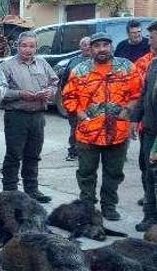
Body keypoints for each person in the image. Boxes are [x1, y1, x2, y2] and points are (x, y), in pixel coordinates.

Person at [63, 32, 141, 221]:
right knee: (86, 174)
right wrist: (80, 114)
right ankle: (88, 208)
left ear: (111, 47)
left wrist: (127, 111)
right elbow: (68, 96)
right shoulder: (80, 70)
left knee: (114, 173)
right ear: (90, 49)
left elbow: (137, 92)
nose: (102, 49)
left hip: (117, 133)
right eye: (97, 46)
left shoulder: (126, 67)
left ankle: (109, 206)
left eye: (105, 45)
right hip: (88, 133)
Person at [0, 31, 58, 203]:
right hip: (16, 116)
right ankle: (10, 192)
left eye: (31, 46)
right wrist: (20, 94)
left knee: (33, 154)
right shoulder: (7, 66)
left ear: (36, 47)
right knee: (14, 155)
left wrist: (49, 92)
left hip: (37, 116)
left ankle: (32, 190)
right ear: (17, 46)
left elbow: (54, 82)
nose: (28, 49)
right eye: (24, 45)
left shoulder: (43, 63)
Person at [130, 22, 157, 230]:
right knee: (148, 174)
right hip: (149, 130)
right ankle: (150, 217)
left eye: (153, 37)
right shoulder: (153, 65)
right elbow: (144, 95)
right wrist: (134, 119)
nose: (150, 41)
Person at [59, 37, 92, 161]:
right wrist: (65, 99)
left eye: (89, 44)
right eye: (84, 45)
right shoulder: (73, 62)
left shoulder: (99, 61)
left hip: (93, 104)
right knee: (75, 128)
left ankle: (91, 152)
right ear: (80, 47)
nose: (87, 47)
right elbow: (64, 82)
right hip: (75, 103)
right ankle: (73, 151)